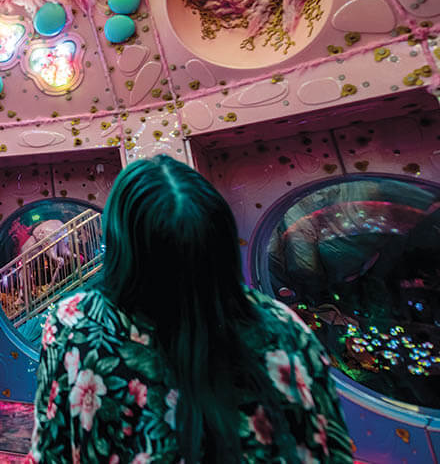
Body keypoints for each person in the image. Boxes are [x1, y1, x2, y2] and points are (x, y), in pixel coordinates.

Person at [29, 155, 353, 463]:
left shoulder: (78, 325)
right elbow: (331, 445)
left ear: (119, 244)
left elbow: (53, 448)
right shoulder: (284, 327)